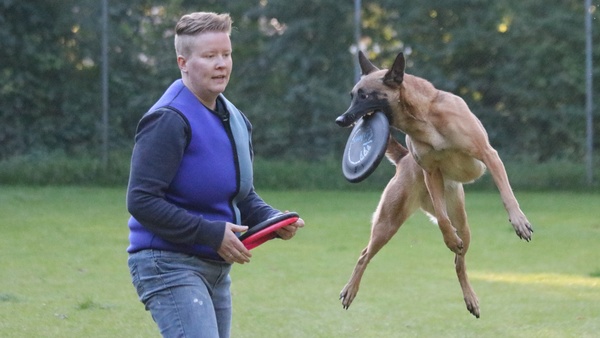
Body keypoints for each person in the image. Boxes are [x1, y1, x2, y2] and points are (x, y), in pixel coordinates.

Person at [126, 12, 304, 338]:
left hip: (215, 268)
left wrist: (273, 220)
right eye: (209, 56)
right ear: (183, 62)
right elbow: (140, 200)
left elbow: (241, 194)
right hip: (166, 264)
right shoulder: (168, 119)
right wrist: (210, 233)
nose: (221, 64)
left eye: (226, 54)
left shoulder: (235, 118)